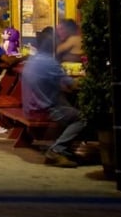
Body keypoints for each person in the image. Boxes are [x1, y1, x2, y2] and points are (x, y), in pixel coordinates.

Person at [20, 27, 86, 167]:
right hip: (43, 110)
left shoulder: (33, 59)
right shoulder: (50, 63)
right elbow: (72, 85)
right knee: (82, 118)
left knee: (68, 106)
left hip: (29, 106)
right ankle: (57, 150)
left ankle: (64, 148)